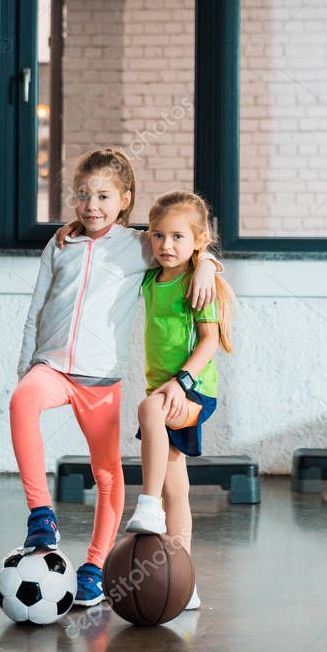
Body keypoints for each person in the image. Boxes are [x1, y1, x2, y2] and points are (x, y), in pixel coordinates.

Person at [9, 148, 225, 608]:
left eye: (104, 196)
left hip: (100, 379)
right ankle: (40, 514)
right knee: (21, 401)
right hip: (52, 367)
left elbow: (186, 246)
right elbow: (36, 308)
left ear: (124, 199)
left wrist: (208, 263)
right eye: (83, 195)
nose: (92, 205)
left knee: (108, 474)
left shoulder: (140, 245)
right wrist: (28, 365)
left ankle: (94, 567)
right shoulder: (61, 243)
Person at [125, 190, 235, 610]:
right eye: (158, 236)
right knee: (177, 485)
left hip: (192, 388)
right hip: (163, 386)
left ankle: (146, 505)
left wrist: (182, 382)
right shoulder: (152, 277)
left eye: (177, 237)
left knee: (150, 409)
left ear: (198, 240)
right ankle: (185, 580)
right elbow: (118, 237)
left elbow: (210, 342)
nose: (166, 245)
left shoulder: (199, 281)